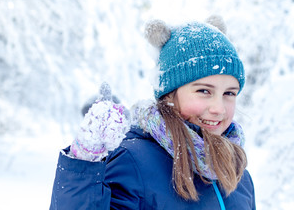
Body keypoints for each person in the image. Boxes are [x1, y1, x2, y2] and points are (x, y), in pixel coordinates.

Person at [49, 15, 256, 209]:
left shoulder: (238, 174)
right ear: (169, 94)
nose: (219, 108)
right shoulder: (133, 161)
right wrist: (83, 163)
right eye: (204, 91)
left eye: (229, 93)